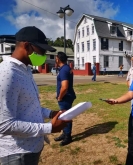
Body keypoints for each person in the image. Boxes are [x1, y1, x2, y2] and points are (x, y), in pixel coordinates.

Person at [0, 26, 71, 165]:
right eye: (42, 51)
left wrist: (51, 113)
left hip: (31, 148)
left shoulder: (26, 69)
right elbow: (4, 124)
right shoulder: (7, 73)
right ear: (27, 46)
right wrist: (49, 128)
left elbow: (29, 105)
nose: (44, 56)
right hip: (16, 153)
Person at [54, 52, 76, 146]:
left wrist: (60, 97)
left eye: (55, 58)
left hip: (65, 97)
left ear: (58, 59)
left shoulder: (63, 70)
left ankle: (68, 137)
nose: (55, 60)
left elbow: (64, 87)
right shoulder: (66, 68)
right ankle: (64, 133)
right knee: (64, 115)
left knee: (66, 116)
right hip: (68, 96)